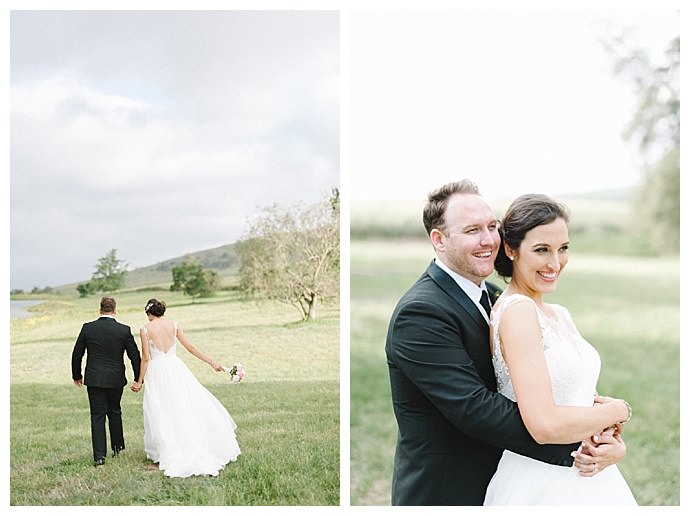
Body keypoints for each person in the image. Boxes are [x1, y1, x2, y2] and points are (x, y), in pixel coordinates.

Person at [385, 180, 628, 505]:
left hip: (512, 477)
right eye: (472, 230)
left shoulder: (497, 298)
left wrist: (601, 436)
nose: (488, 240)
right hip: (449, 492)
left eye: (491, 226)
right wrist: (584, 439)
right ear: (439, 240)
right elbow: (476, 409)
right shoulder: (420, 312)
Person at [482, 193, 637, 505]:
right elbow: (543, 425)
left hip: (588, 472)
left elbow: (582, 401)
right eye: (542, 250)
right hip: (542, 480)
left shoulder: (559, 314)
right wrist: (620, 410)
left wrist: (612, 444)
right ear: (511, 249)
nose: (555, 263)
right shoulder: (517, 311)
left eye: (563, 248)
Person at [130, 299, 240, 478]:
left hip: (157, 372)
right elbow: (191, 348)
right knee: (183, 405)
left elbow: (145, 358)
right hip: (176, 368)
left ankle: (167, 449)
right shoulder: (174, 325)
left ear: (149, 313)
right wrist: (212, 363)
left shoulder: (145, 328)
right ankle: (187, 443)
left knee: (161, 409)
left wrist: (139, 381)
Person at [71, 296, 142, 467]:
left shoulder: (88, 328)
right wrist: (138, 378)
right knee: (115, 411)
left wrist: (77, 375)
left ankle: (99, 457)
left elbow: (77, 353)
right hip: (116, 378)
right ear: (115, 310)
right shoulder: (123, 330)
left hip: (94, 378)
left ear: (100, 309)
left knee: (97, 416)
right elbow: (134, 356)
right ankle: (117, 448)